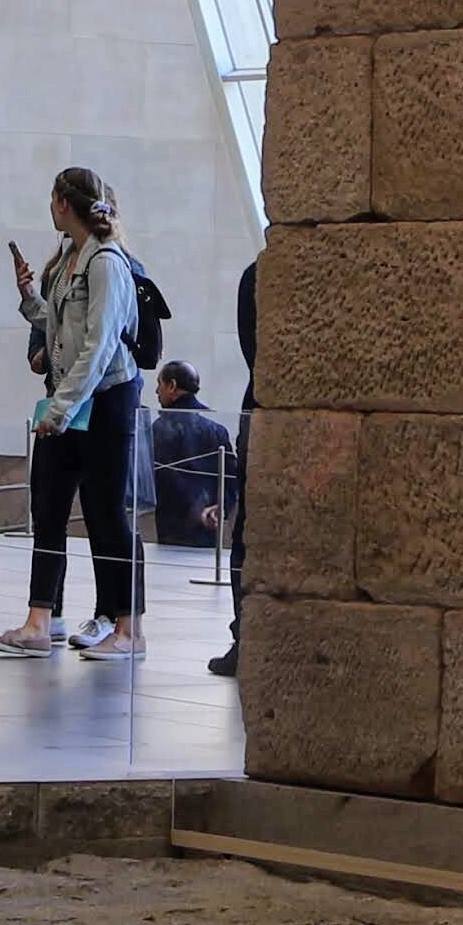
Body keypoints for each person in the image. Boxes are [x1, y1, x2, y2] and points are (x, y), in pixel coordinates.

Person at [0, 169, 146, 661]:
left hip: (104, 399)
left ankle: (129, 626)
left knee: (105, 512)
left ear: (64, 204)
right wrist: (30, 297)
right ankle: (39, 619)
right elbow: (57, 328)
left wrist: (61, 407)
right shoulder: (70, 258)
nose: (49, 205)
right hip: (67, 400)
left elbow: (98, 347)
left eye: (53, 197)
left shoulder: (107, 263)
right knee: (48, 506)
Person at [213, 244, 259, 678]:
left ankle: (246, 636)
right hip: (261, 412)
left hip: (260, 410)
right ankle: (244, 635)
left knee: (247, 532)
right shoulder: (256, 277)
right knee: (245, 533)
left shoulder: (255, 275)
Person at [145, 360, 234, 551]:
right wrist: (219, 507)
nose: (156, 391)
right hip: (209, 526)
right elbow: (231, 476)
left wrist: (195, 509)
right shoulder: (217, 430)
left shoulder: (159, 429)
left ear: (172, 386)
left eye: (159, 383)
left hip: (174, 526)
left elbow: (163, 477)